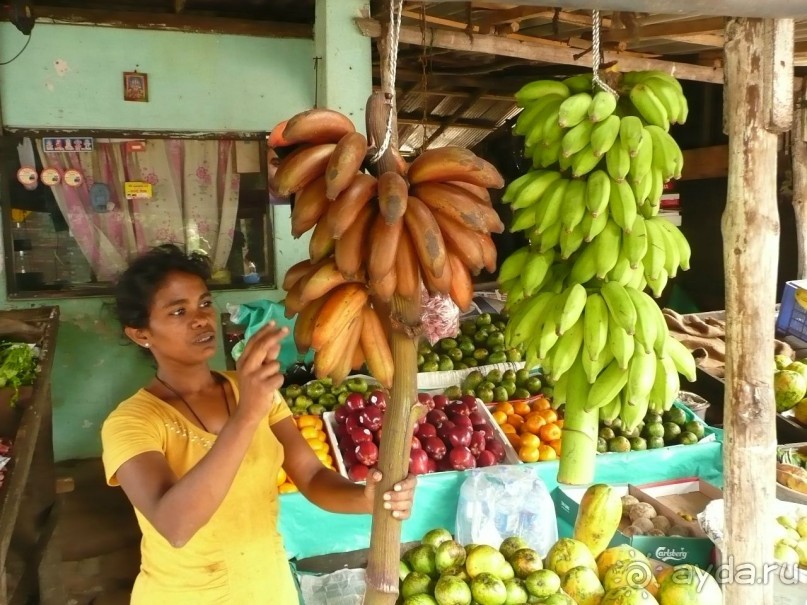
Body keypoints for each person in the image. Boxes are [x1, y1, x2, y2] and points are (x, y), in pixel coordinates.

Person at [101, 244, 416, 604]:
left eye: (204, 303)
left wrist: (364, 497)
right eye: (178, 311)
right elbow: (176, 526)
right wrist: (248, 412)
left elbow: (311, 477)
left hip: (269, 589)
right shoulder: (131, 421)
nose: (201, 318)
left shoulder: (250, 389)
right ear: (140, 334)